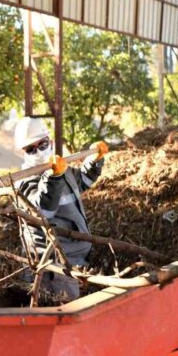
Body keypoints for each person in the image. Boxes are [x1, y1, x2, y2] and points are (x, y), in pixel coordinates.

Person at [13, 117, 108, 300]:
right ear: (23, 152)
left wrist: (94, 159)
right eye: (31, 149)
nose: (39, 152)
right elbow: (42, 211)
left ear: (50, 141)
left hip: (73, 261)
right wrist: (53, 177)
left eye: (42, 144)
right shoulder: (24, 182)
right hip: (51, 268)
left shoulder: (62, 171)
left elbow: (83, 181)